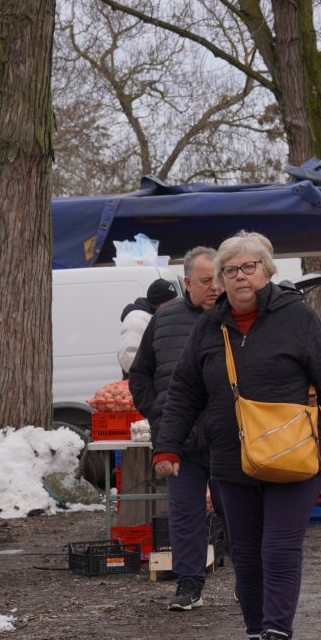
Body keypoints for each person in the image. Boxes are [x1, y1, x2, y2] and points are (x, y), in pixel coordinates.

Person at [151, 232, 321, 640]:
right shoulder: (209, 327)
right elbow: (185, 390)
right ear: (220, 281)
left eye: (249, 267)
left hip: (293, 457)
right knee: (246, 557)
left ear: (267, 271)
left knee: (279, 549)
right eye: (231, 270)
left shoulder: (298, 319)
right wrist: (167, 446)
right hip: (229, 459)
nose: (240, 276)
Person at [129, 247, 223, 611]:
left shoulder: (234, 318)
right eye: (205, 281)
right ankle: (189, 585)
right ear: (187, 283)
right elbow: (139, 375)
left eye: (218, 279)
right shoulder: (164, 320)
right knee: (185, 514)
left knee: (236, 511)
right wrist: (158, 414)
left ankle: (247, 581)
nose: (214, 288)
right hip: (179, 439)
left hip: (225, 438)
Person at [118, 278, 177, 375]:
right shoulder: (137, 319)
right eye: (172, 301)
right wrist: (147, 379)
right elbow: (129, 356)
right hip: (140, 384)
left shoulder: (155, 317)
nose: (175, 304)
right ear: (161, 302)